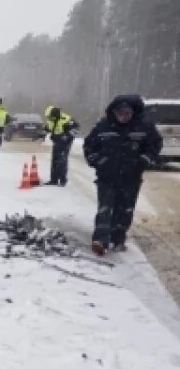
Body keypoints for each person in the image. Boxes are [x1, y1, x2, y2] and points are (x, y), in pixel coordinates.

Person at [83, 94, 162, 255]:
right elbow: (89, 146)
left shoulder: (144, 126)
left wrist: (145, 159)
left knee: (125, 209)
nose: (123, 117)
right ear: (114, 112)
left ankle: (118, 239)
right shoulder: (103, 126)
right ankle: (100, 240)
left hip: (131, 177)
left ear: (133, 112)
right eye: (120, 113)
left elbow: (155, 145)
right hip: (107, 176)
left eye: (127, 114)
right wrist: (97, 160)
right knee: (105, 208)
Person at [43, 106, 79, 186]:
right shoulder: (52, 120)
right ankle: (54, 180)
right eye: (48, 117)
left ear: (55, 114)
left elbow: (76, 128)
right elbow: (49, 127)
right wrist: (43, 132)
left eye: (50, 117)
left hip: (65, 142)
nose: (49, 119)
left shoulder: (66, 119)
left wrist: (66, 137)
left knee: (62, 160)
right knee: (55, 159)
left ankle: (63, 180)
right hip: (56, 141)